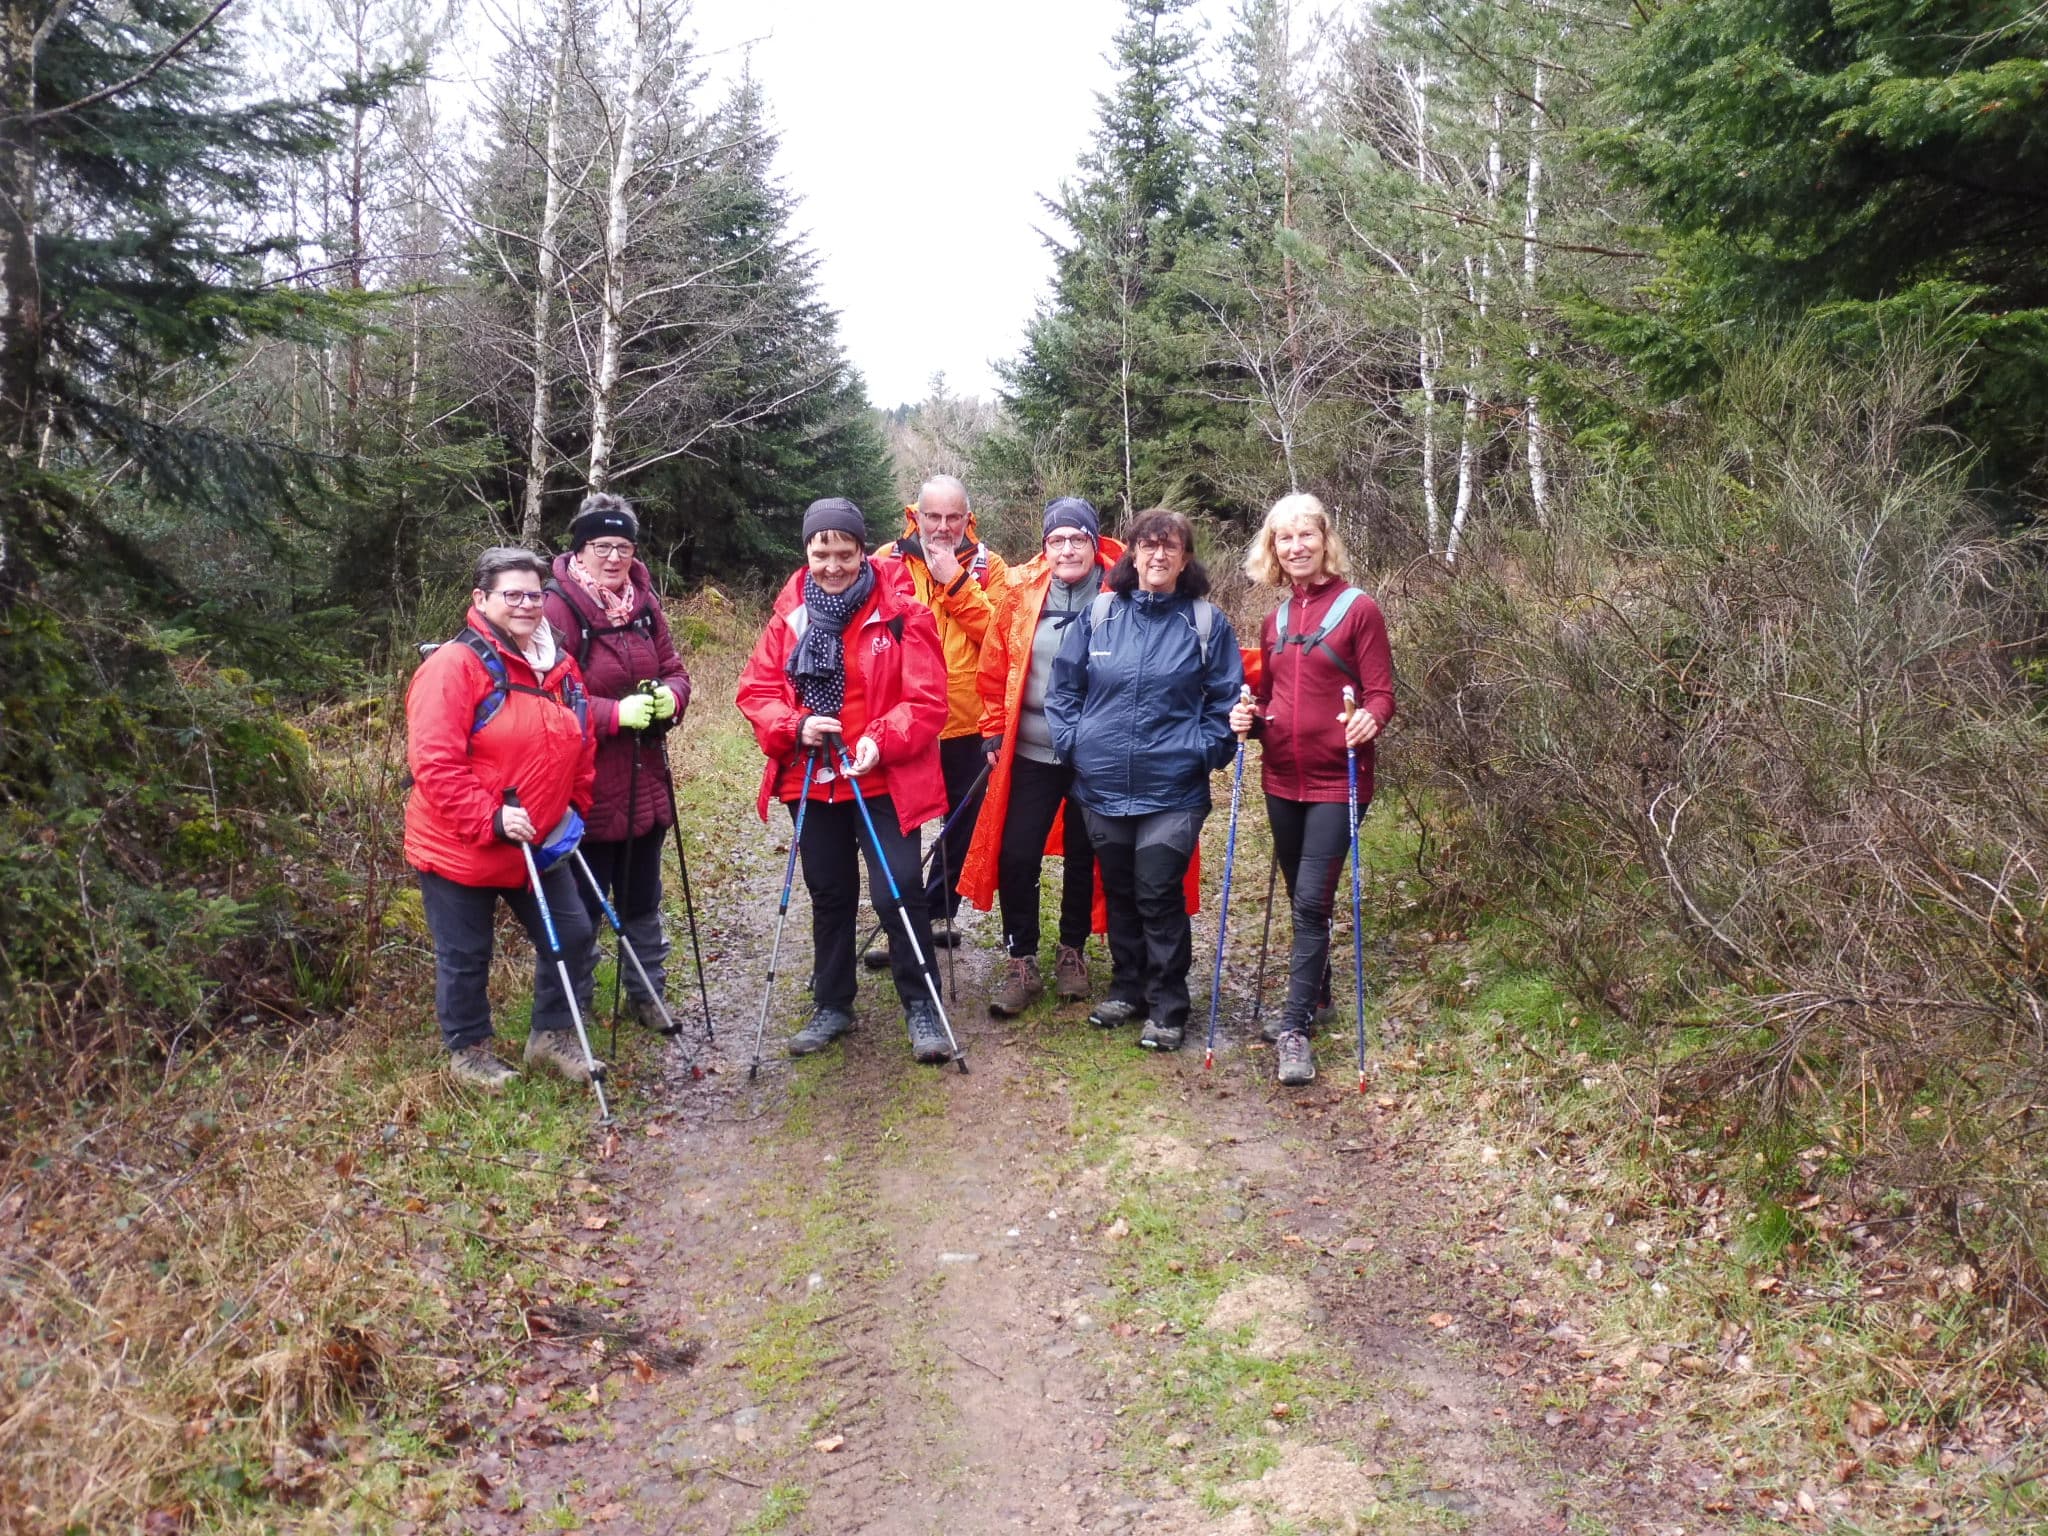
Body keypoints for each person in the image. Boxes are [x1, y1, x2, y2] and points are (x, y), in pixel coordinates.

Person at [735, 497, 954, 1063]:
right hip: (811, 780)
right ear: (806, 552)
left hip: (882, 780)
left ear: (863, 550)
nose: (832, 564)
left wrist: (879, 738)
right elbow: (756, 692)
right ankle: (832, 1003)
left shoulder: (903, 611)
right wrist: (797, 724)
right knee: (829, 894)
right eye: (821, 552)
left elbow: (928, 701)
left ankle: (922, 1005)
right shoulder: (789, 615)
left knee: (898, 893)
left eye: (844, 552)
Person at [404, 547, 600, 1091]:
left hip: (537, 841)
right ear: (481, 600)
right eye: (510, 594)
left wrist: (572, 808)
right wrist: (490, 819)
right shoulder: (453, 666)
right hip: (459, 844)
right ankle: (468, 1052)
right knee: (466, 955)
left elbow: (580, 745)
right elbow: (434, 764)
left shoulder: (558, 665)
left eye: (534, 594)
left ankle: (551, 1036)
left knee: (573, 933)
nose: (524, 604)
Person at [1049, 509, 1244, 1052]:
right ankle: (1128, 987)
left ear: (1186, 558)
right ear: (1131, 553)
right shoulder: (1101, 614)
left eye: (1171, 547)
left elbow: (1227, 702)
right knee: (1120, 892)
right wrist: (1075, 744)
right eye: (1148, 545)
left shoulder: (1206, 622)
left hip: (1172, 788)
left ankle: (1167, 1004)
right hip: (1101, 783)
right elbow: (1063, 689)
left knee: (1159, 892)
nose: (1159, 556)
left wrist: (1199, 753)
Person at [1230, 493, 1396, 1086]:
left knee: (1309, 900)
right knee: (1300, 890)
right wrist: (1249, 718)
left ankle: (1296, 1026)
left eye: (1306, 536)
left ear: (1326, 539)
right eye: (1284, 538)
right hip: (1281, 776)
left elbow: (1381, 694)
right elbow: (1274, 698)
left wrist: (1368, 719)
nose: (1296, 547)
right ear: (1272, 549)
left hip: (1337, 780)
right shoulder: (1273, 622)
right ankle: (1319, 994)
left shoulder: (1359, 611)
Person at [958, 498, 1122, 1016]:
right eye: (1057, 540)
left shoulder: (1123, 591)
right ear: (1045, 545)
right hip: (1029, 750)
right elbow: (995, 666)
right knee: (1016, 854)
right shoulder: (1021, 594)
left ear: (1094, 544)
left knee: (1084, 852)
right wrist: (990, 731)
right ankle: (1020, 957)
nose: (1067, 549)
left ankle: (1072, 951)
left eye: (1078, 539)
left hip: (1095, 753)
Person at [540, 492, 693, 1035]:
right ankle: (569, 1018)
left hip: (643, 778)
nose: (613, 557)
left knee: (641, 897)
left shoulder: (644, 604)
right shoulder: (556, 607)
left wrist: (671, 699)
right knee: (579, 910)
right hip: (583, 787)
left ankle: (647, 995)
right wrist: (612, 714)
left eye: (623, 546)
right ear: (579, 550)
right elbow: (544, 699)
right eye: (601, 546)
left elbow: (675, 667)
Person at [866, 475, 1008, 965]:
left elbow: (1002, 637)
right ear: (916, 515)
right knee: (900, 827)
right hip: (903, 723)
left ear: (967, 518)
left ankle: (937, 914)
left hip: (968, 724)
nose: (943, 527)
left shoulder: (991, 568)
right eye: (934, 517)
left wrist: (956, 582)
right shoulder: (885, 562)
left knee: (960, 824)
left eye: (953, 518)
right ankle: (901, 924)